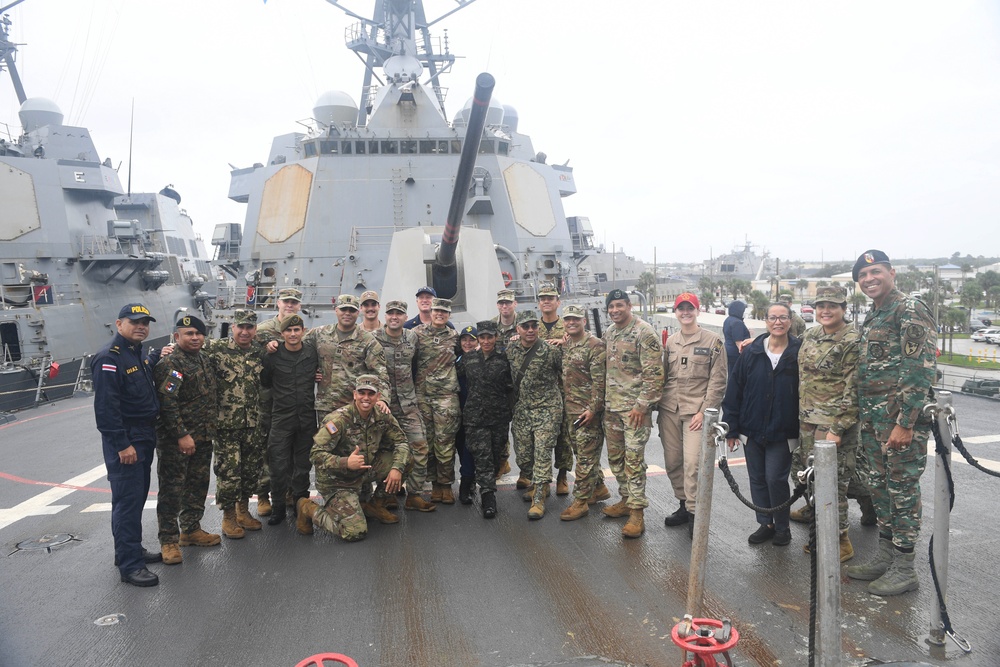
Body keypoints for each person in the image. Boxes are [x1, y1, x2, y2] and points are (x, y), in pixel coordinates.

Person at [845, 250, 936, 596]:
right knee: (880, 490)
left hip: (897, 424)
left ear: (891, 272)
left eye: (876, 271)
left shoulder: (908, 309)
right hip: (873, 422)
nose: (869, 279)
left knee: (902, 490)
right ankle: (885, 555)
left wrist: (906, 422)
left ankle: (904, 566)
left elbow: (919, 370)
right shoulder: (874, 314)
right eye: (863, 275)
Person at [787, 286, 872, 563]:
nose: (825, 310)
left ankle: (840, 540)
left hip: (834, 424)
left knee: (834, 482)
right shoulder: (811, 335)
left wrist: (838, 428)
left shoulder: (852, 340)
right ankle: (815, 512)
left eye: (832, 306)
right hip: (808, 420)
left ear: (843, 309)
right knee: (805, 473)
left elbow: (855, 389)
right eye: (821, 305)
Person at [91, 303, 163, 587]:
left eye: (145, 322)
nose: (141, 326)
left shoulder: (137, 353)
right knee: (127, 502)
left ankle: (128, 552)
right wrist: (122, 445)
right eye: (134, 322)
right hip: (128, 440)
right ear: (119, 324)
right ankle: (131, 566)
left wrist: (158, 355)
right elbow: (106, 409)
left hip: (144, 436)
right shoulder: (109, 358)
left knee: (134, 499)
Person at [722, 303, 801, 547]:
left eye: (783, 318)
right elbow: (735, 390)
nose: (778, 322)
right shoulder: (752, 351)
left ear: (790, 321)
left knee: (775, 478)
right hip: (752, 427)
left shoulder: (801, 351)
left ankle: (782, 526)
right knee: (756, 477)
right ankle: (765, 522)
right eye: (773, 318)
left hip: (783, 428)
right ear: (765, 320)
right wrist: (731, 428)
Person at [299, 375, 411, 542]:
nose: (366, 398)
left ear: (378, 397)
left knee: (406, 461)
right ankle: (308, 508)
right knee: (354, 532)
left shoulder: (382, 415)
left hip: (363, 472)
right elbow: (315, 455)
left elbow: (401, 441)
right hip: (337, 481)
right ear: (354, 394)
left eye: (371, 394)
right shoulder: (338, 420)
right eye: (362, 393)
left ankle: (376, 505)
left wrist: (396, 469)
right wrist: (345, 462)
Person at [658, 293, 727, 536]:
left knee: (693, 464)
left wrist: (705, 412)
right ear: (675, 312)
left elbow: (718, 381)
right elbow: (664, 376)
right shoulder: (670, 342)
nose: (685, 312)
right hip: (669, 410)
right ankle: (682, 505)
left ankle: (695, 513)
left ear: (697, 311)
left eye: (690, 308)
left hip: (695, 414)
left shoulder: (713, 341)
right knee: (673, 462)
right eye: (681, 308)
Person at [154, 314, 221, 564]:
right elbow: (167, 403)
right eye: (189, 334)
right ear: (176, 337)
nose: (195, 337)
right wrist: (182, 434)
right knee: (172, 489)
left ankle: (191, 530)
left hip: (203, 436)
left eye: (198, 334)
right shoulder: (171, 364)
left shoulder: (203, 359)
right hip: (178, 441)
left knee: (197, 485)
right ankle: (169, 540)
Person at [602, 290, 664, 538]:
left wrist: (641, 405)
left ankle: (637, 513)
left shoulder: (644, 332)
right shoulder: (610, 332)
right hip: (612, 408)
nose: (615, 310)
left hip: (635, 411)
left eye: (619, 305)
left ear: (629, 305)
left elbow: (655, 375)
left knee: (633, 460)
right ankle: (626, 499)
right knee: (616, 459)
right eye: (611, 307)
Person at [205, 309, 266, 539]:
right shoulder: (215, 349)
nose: (244, 331)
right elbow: (190, 353)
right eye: (240, 327)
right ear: (233, 328)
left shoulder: (259, 354)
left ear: (255, 330)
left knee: (250, 470)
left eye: (249, 327)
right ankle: (228, 517)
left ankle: (243, 512)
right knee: (229, 473)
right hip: (226, 426)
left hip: (253, 424)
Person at [373, 300, 436, 512]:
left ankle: (414, 495)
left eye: (398, 314)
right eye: (390, 313)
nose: (394, 317)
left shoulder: (412, 337)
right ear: (386, 315)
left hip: (409, 404)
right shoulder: (373, 340)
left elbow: (418, 363)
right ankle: (388, 494)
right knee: (385, 450)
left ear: (404, 316)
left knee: (420, 446)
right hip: (384, 406)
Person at [260, 314, 320, 527]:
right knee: (278, 465)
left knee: (303, 465)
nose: (293, 334)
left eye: (297, 330)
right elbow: (265, 381)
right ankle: (277, 508)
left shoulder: (312, 353)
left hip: (306, 418)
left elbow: (320, 371)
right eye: (289, 331)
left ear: (303, 331)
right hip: (282, 418)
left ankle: (299, 505)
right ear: (282, 333)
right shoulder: (272, 356)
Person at [506, 309, 563, 519]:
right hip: (522, 409)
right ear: (518, 329)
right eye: (525, 326)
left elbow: (568, 370)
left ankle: (539, 498)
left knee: (542, 452)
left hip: (547, 409)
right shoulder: (511, 348)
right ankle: (538, 482)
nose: (531, 330)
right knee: (523, 454)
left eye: (534, 326)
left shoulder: (550, 350)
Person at [252, 286, 303, 517]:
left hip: (290, 401)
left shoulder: (301, 331)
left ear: (299, 305)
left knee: (290, 447)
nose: (289, 305)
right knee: (266, 448)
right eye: (286, 301)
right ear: (278, 303)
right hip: (266, 400)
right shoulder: (262, 331)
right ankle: (264, 494)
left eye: (294, 302)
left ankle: (289, 491)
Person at [456, 321, 513, 518]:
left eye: (490, 337)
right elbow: (453, 375)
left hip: (498, 417)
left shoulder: (504, 359)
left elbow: (511, 384)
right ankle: (488, 499)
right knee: (483, 458)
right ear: (478, 339)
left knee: (496, 457)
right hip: (475, 418)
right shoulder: (468, 359)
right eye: (483, 337)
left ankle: (481, 486)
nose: (486, 341)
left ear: (496, 337)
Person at [558, 304, 609, 521]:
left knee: (586, 459)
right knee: (580, 452)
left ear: (584, 321)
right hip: (571, 410)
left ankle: (580, 502)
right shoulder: (568, 344)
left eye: (576, 319)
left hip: (587, 412)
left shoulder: (595, 346)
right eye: (568, 319)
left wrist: (592, 409)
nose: (571, 322)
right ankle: (598, 488)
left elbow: (600, 382)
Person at [305, 294, 389, 423]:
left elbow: (380, 373)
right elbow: (295, 347)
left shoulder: (368, 341)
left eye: (352, 310)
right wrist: (311, 370)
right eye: (344, 309)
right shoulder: (319, 334)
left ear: (358, 312)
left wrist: (382, 399)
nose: (347, 313)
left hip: (354, 406)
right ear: (336, 310)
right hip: (326, 406)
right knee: (326, 441)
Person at [413, 298, 461, 503]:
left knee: (446, 443)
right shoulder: (416, 334)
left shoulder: (455, 337)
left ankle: (446, 484)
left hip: (446, 398)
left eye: (444, 311)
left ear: (449, 315)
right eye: (436, 310)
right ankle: (433, 484)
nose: (440, 314)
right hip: (423, 396)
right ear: (430, 312)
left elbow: (472, 349)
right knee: (428, 443)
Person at [537, 281, 573, 495]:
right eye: (543, 298)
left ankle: (562, 476)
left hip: (565, 389)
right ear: (539, 304)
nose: (547, 301)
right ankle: (538, 478)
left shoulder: (569, 326)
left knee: (563, 435)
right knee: (539, 438)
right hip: (541, 392)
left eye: (550, 298)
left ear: (558, 302)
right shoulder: (533, 327)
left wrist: (566, 342)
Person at [492, 288, 518, 480]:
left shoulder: (524, 324)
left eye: (508, 303)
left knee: (520, 427)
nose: (505, 306)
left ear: (514, 304)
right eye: (501, 303)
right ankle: (503, 461)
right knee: (500, 425)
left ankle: (526, 470)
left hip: (520, 382)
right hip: (499, 383)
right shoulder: (492, 325)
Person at [455, 325, 481, 504]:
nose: (468, 343)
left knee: (468, 450)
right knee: (459, 446)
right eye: (464, 339)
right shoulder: (456, 359)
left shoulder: (481, 359)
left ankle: (466, 486)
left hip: (475, 413)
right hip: (456, 412)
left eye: (472, 339)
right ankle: (468, 479)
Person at [723, 300, 751, 377]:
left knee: (731, 374)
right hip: (736, 354)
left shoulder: (728, 319)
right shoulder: (737, 323)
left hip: (728, 351)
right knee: (736, 375)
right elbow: (739, 343)